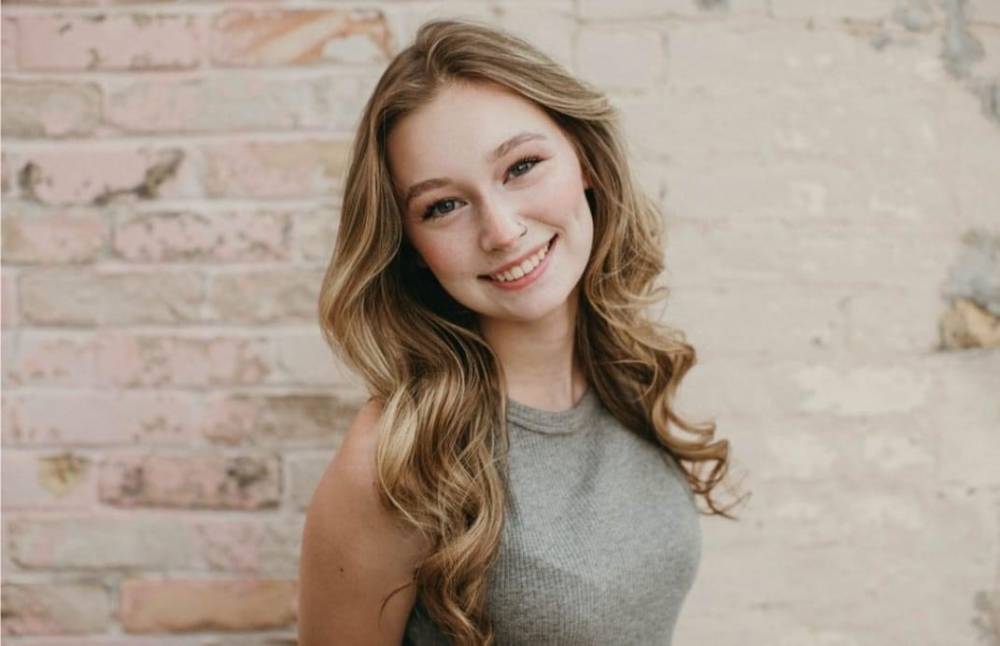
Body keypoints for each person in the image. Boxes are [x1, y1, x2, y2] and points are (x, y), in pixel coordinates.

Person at [299, 18, 744, 646]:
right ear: (413, 247)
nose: (502, 230)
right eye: (443, 206)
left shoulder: (628, 376)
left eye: (522, 166)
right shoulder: (395, 462)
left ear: (585, 160)